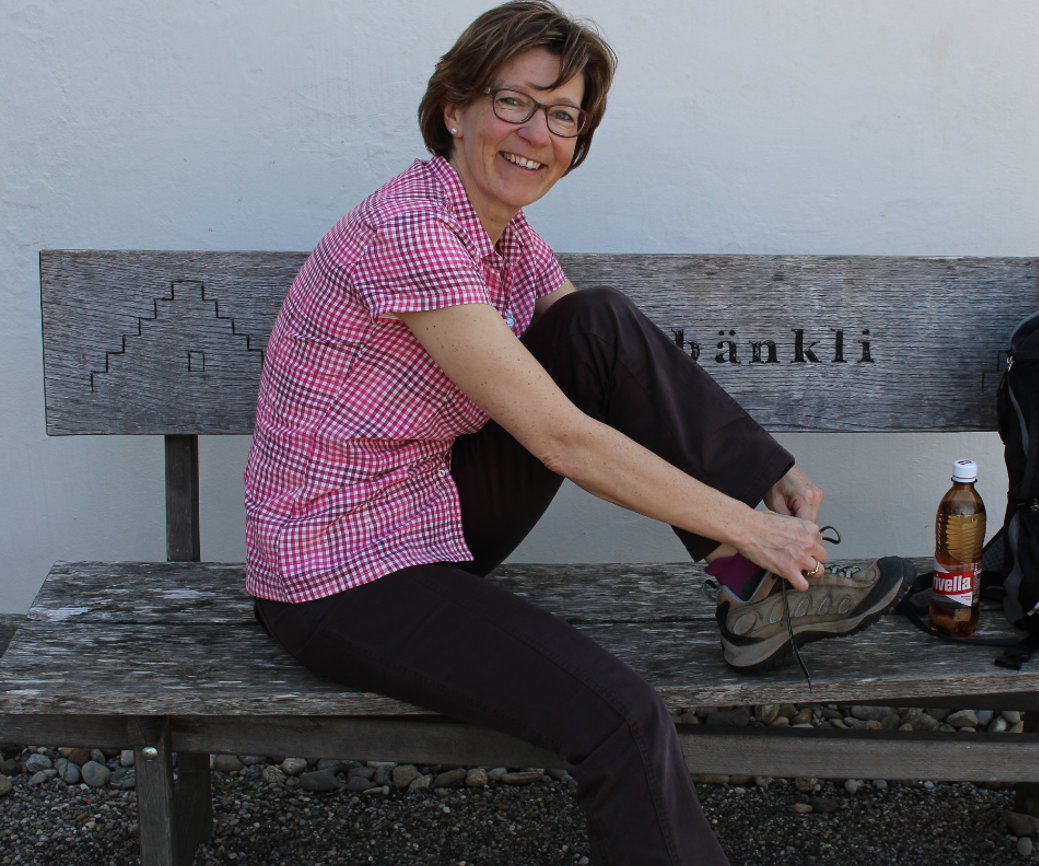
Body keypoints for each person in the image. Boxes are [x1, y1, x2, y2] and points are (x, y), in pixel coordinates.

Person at [244, 3, 910, 863]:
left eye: (564, 116)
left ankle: (755, 595)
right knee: (622, 718)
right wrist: (748, 523)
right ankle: (755, 573)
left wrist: (765, 470)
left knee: (597, 322)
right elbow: (561, 438)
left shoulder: (505, 233)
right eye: (516, 102)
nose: (538, 133)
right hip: (338, 576)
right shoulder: (411, 229)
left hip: (427, 515)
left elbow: (605, 358)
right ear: (455, 108)